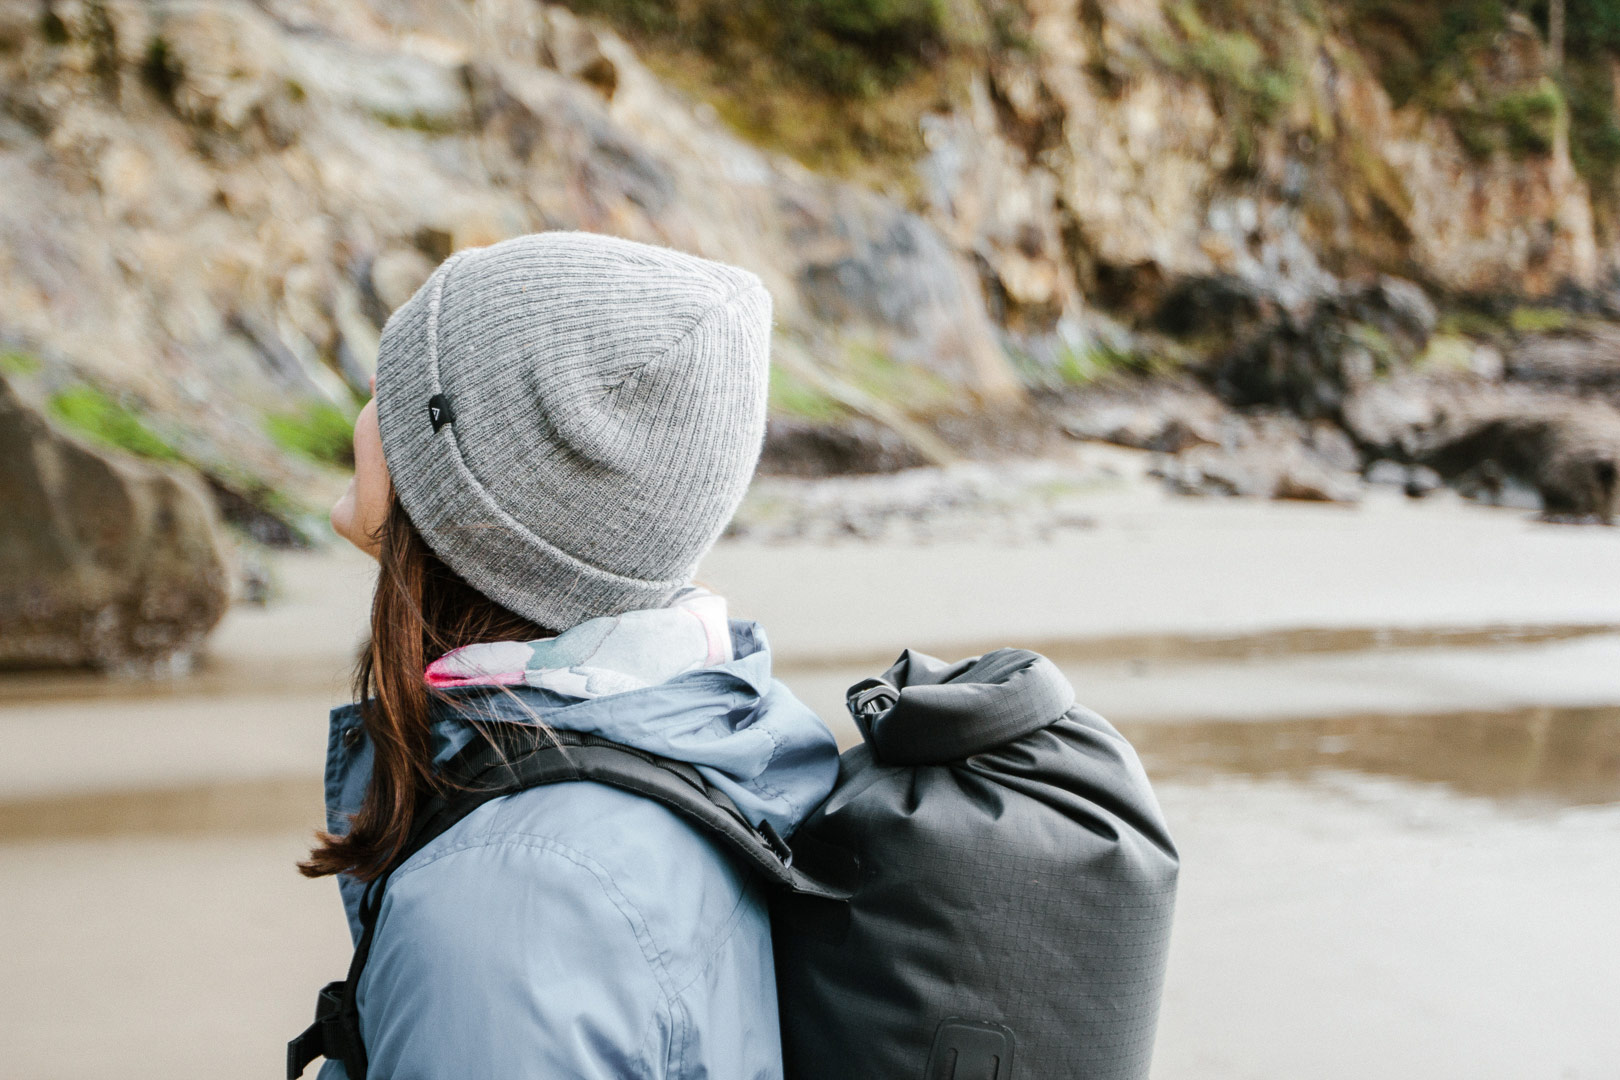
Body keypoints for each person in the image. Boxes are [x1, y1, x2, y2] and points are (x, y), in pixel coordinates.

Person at [309, 231, 839, 1079]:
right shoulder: (709, 731)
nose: (373, 392)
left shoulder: (508, 904)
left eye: (405, 384)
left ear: (475, 496)